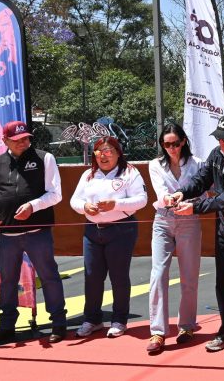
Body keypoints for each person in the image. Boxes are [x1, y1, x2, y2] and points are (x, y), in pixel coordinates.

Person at [166, 114, 224, 352]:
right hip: (223, 228)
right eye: (218, 137)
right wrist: (182, 193)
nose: (221, 142)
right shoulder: (216, 155)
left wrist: (196, 207)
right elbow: (202, 179)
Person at [0, 121, 67, 345]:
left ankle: (58, 323)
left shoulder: (44, 158)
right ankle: (7, 325)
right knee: (8, 280)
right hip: (8, 233)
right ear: (5, 141)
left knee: (49, 276)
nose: (24, 143)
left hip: (38, 231)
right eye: (18, 140)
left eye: (26, 138)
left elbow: (55, 194)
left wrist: (33, 206)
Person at [70, 136, 147, 339]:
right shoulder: (88, 174)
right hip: (92, 230)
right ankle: (92, 319)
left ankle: (119, 320)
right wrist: (83, 207)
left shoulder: (130, 172)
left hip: (121, 230)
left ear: (118, 153)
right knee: (92, 276)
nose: (104, 156)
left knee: (119, 276)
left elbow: (142, 200)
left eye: (108, 151)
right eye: (99, 152)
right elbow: (75, 200)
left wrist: (117, 204)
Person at [145, 123, 205, 354]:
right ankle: (158, 332)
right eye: (167, 144)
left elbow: (204, 191)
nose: (172, 148)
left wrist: (191, 203)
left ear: (183, 142)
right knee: (158, 274)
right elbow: (160, 192)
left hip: (189, 220)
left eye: (176, 143)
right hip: (162, 220)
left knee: (189, 274)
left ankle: (187, 326)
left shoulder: (198, 163)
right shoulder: (154, 165)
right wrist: (169, 200)